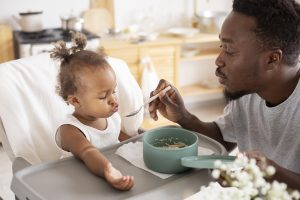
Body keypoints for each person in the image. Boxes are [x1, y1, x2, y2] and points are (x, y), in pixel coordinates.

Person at [149, 0, 300, 190]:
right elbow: (222, 138)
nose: (218, 60)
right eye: (221, 46)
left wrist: (271, 173)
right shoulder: (248, 91)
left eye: (229, 50)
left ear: (271, 59)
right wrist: (183, 116)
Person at [50, 32, 134, 190]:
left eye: (114, 91)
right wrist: (108, 169)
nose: (113, 100)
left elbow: (118, 136)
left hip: (110, 176)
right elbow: (88, 152)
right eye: (103, 97)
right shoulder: (70, 130)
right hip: (80, 186)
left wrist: (139, 143)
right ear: (75, 101)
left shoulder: (111, 117)